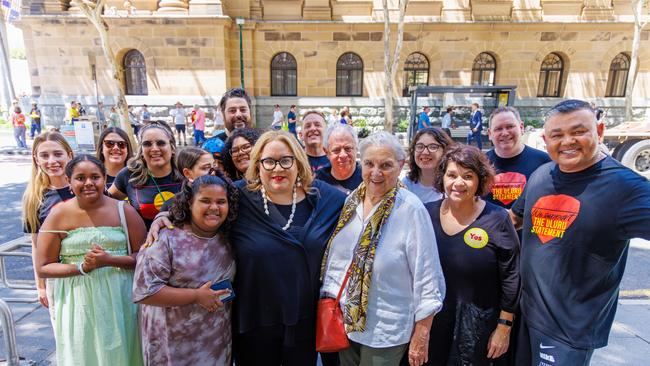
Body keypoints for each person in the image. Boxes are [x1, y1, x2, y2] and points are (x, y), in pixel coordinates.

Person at [510, 100, 650, 366]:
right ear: (545, 139)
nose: (567, 142)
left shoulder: (626, 188)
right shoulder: (541, 175)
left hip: (569, 330)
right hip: (526, 316)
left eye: (578, 132)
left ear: (599, 131)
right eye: (557, 135)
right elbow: (513, 219)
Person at [320, 131, 445, 366]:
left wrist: (422, 334)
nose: (376, 173)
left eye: (386, 165)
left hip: (385, 331)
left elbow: (428, 277)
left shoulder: (410, 210)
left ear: (401, 166)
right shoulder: (352, 201)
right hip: (346, 322)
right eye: (369, 164)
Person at [230, 131, 346, 366]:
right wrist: (164, 217)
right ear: (257, 165)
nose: (277, 169)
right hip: (254, 320)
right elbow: (194, 200)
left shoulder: (327, 199)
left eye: (285, 160)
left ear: (298, 162)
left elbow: (364, 205)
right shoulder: (237, 196)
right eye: (269, 161)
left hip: (304, 321)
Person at [35, 154, 145, 366]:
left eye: (95, 177)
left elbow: (144, 257)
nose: (88, 183)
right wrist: (82, 267)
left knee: (124, 352)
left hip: (121, 298)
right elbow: (43, 267)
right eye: (80, 178)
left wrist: (110, 260)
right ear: (69, 181)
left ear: (104, 178)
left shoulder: (124, 211)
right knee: (83, 352)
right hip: (77, 301)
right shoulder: (57, 215)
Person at [426, 145, 519, 366]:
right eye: (452, 175)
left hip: (479, 327)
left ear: (480, 180)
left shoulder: (497, 219)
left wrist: (504, 328)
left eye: (468, 176)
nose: (458, 183)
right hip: (433, 322)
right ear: (442, 178)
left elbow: (512, 276)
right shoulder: (425, 213)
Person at [133, 174, 237, 366]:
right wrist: (196, 296)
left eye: (221, 202)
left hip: (216, 341)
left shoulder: (227, 237)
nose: (214, 207)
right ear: (189, 202)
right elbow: (145, 292)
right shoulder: (164, 239)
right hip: (173, 345)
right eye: (205, 201)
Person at [22, 132, 74, 307]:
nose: (52, 161)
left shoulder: (85, 187)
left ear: (70, 155)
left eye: (58, 154)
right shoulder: (34, 198)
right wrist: (41, 286)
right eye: (44, 155)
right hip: (58, 279)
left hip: (93, 272)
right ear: (37, 160)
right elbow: (37, 246)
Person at [108, 123, 184, 229]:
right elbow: (106, 201)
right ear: (141, 151)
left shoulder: (186, 173)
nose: (154, 149)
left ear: (172, 148)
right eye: (147, 144)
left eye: (161, 143)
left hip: (183, 243)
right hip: (144, 243)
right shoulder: (129, 175)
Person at [484, 107, 550, 210]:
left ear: (521, 127)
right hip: (488, 225)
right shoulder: (480, 163)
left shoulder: (545, 162)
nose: (505, 133)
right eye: (498, 129)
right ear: (490, 133)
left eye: (510, 126)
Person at [403, 127, 454, 204]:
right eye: (420, 147)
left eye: (433, 147)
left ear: (445, 151)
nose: (425, 152)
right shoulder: (406, 184)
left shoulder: (452, 186)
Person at [315, 124, 362, 195]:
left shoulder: (367, 177)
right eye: (336, 150)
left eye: (348, 148)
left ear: (356, 148)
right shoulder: (317, 181)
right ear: (326, 152)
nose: (343, 155)